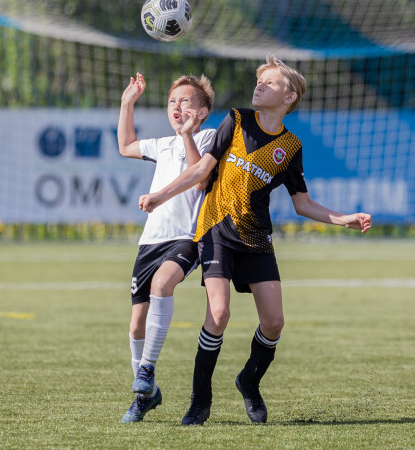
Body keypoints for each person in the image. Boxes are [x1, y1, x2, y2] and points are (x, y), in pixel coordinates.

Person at [138, 55, 372, 426]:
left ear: (289, 97)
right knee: (218, 313)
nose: (259, 85)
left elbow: (303, 203)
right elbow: (201, 169)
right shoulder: (236, 119)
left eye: (269, 82)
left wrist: (344, 218)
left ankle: (249, 381)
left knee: (274, 322)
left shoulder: (290, 147)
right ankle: (200, 402)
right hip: (215, 230)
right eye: (259, 81)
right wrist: (160, 196)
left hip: (256, 237)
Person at [117, 72, 216, 423]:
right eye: (172, 101)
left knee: (163, 285)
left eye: (186, 101)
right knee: (135, 325)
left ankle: (145, 371)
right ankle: (147, 394)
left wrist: (188, 134)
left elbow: (200, 175)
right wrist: (128, 101)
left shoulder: (207, 138)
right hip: (150, 241)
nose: (177, 106)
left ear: (202, 111)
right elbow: (126, 146)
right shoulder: (162, 144)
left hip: (185, 237)